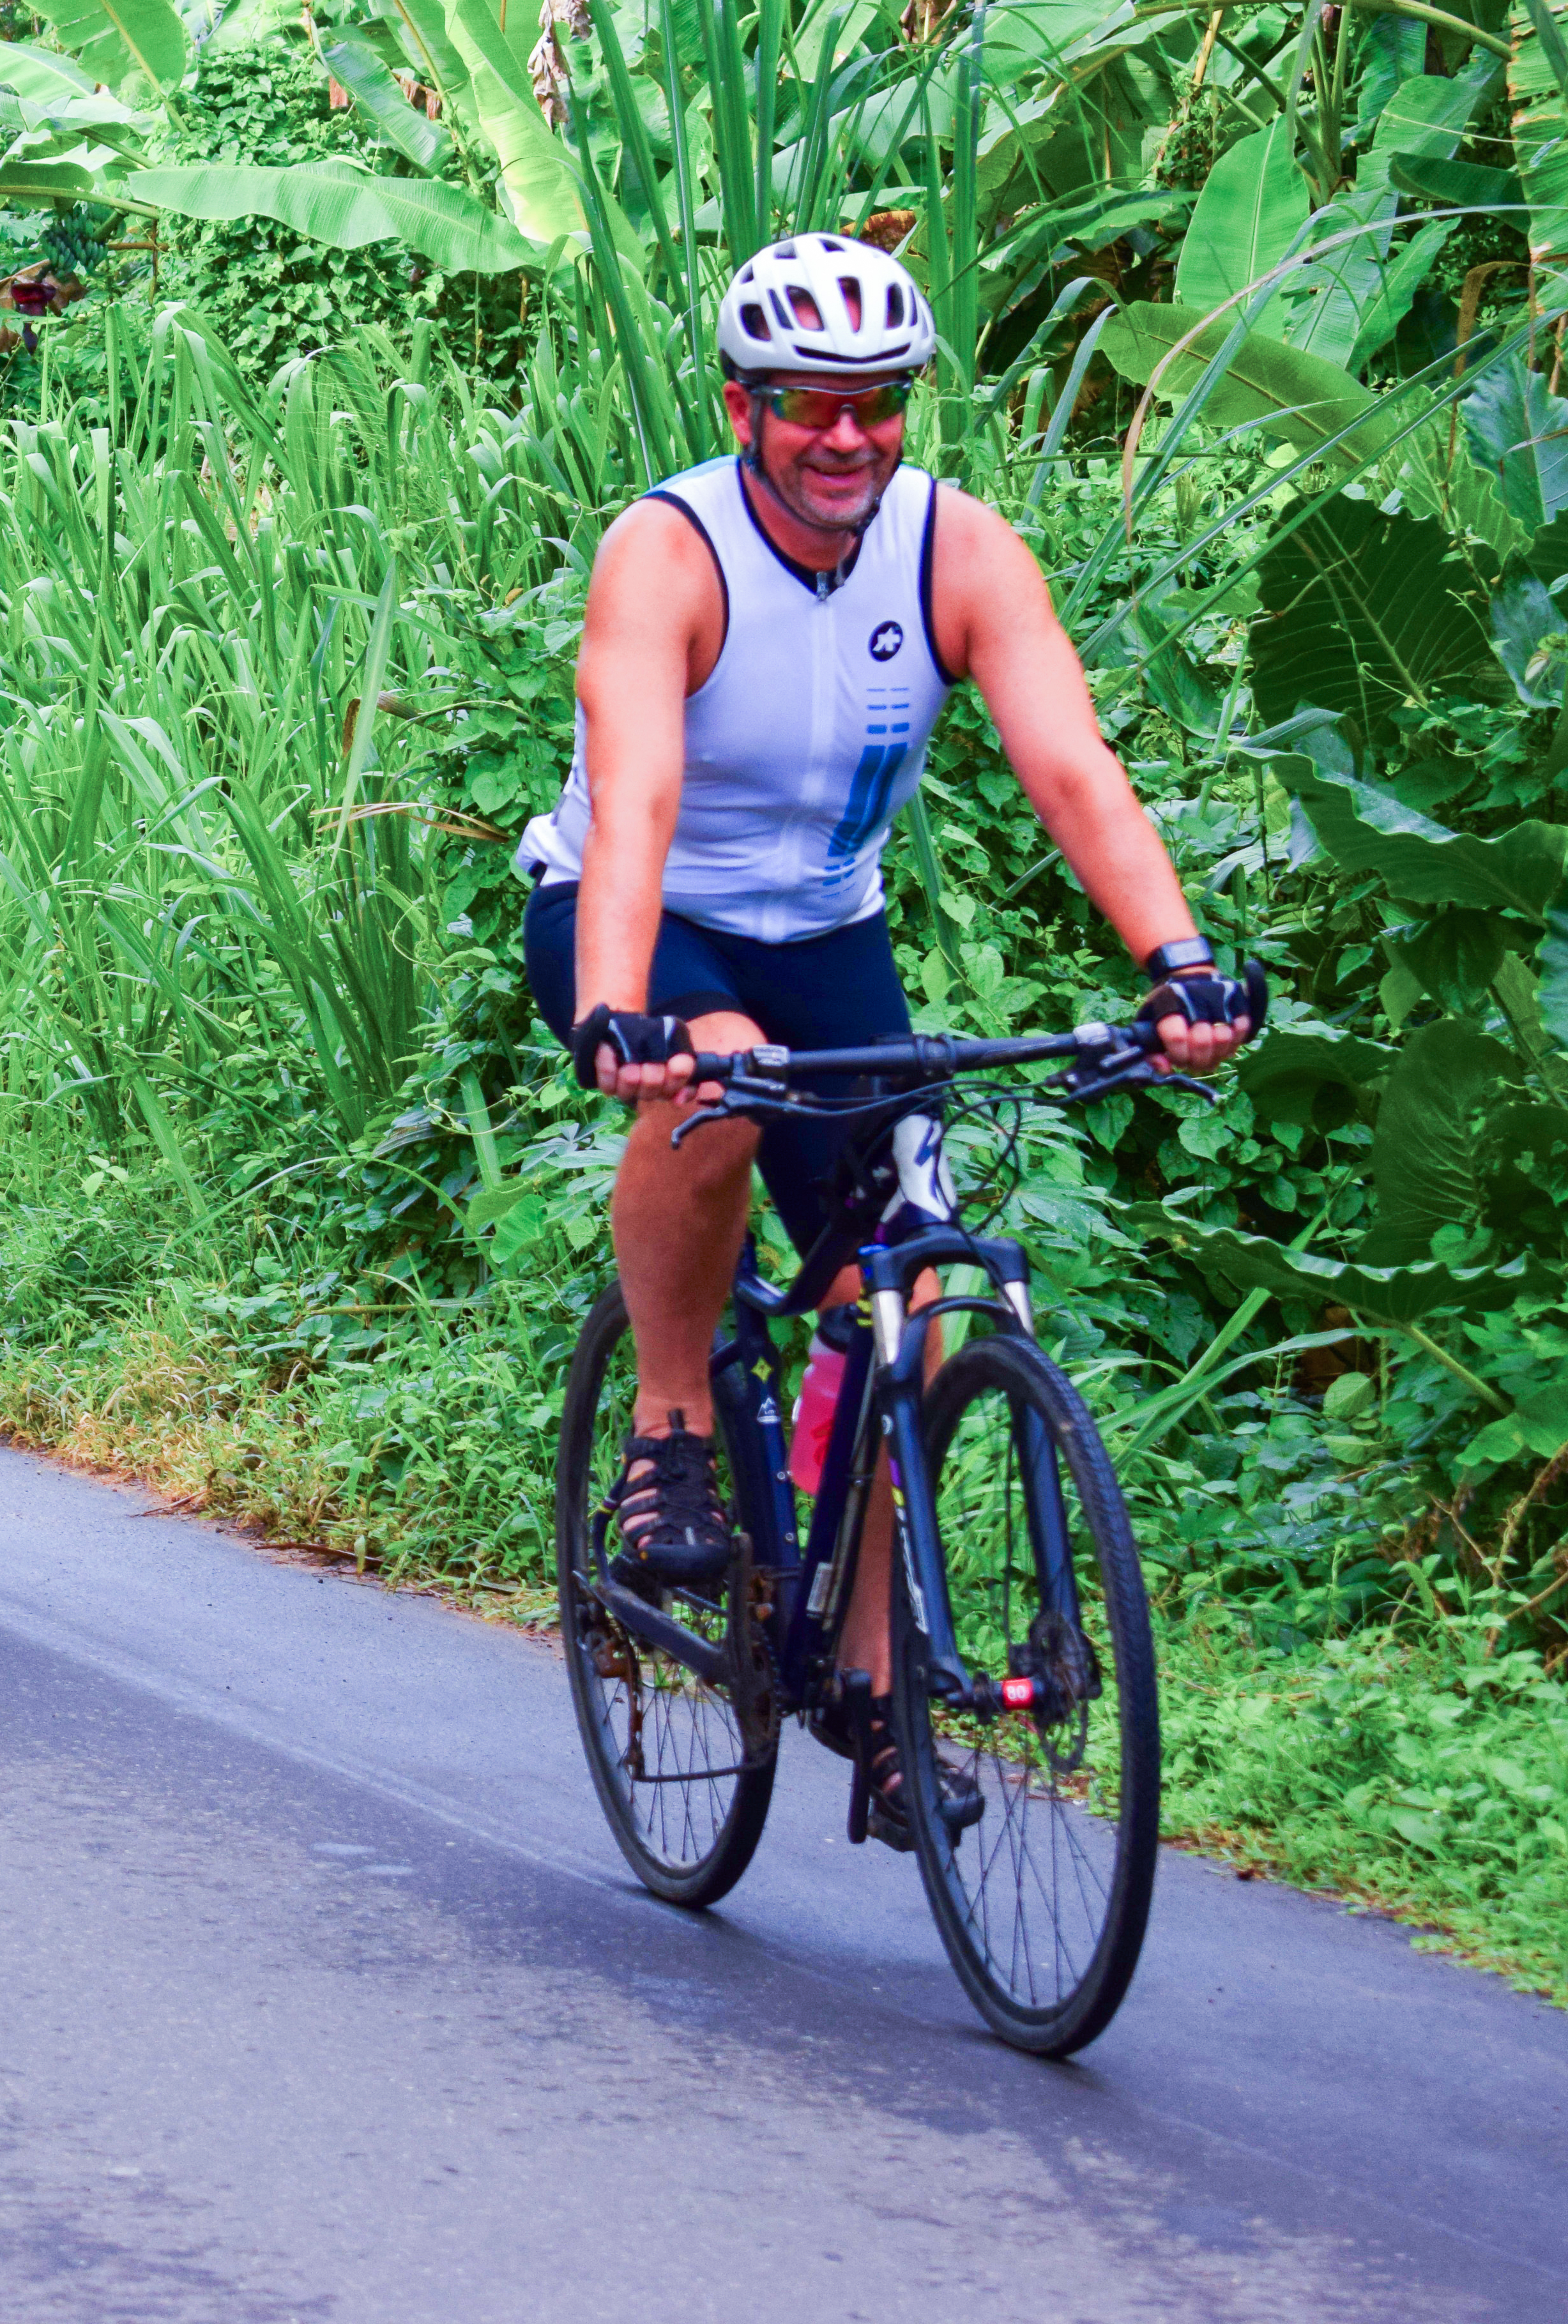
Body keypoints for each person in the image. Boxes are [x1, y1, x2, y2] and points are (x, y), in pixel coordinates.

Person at [514, 231, 1261, 1845]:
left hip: (831, 938)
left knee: (917, 1286)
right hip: (640, 911)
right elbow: (635, 791)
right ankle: (666, 1426)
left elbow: (1068, 760)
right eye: (806, 405)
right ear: (742, 405)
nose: (845, 435)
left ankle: (867, 1683)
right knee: (708, 1083)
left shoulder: (961, 550)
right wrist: (622, 1006)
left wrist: (1179, 958)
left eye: (877, 402)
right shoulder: (671, 550)